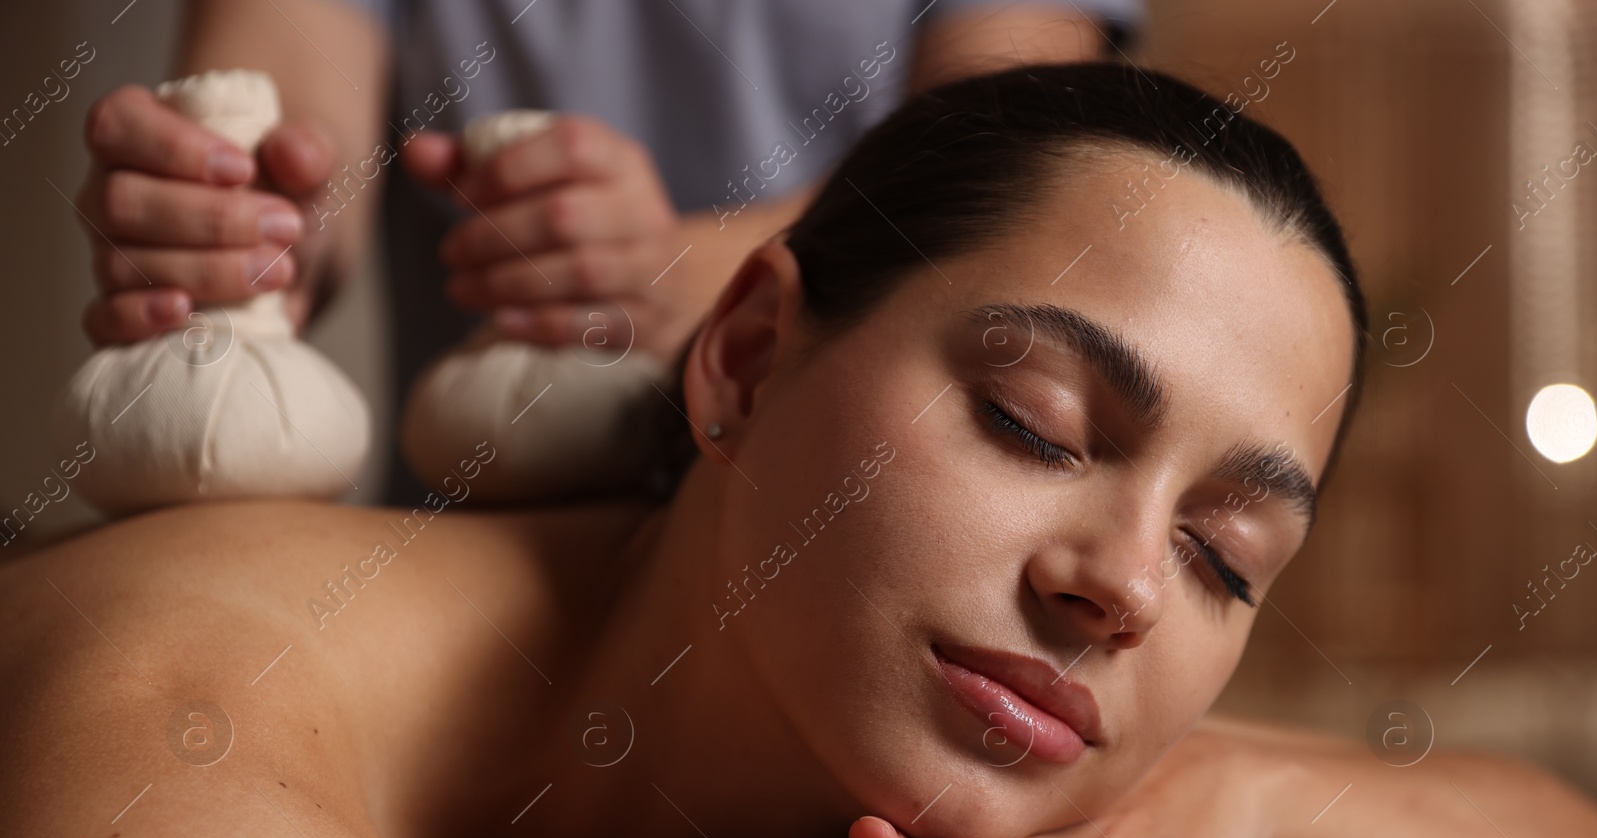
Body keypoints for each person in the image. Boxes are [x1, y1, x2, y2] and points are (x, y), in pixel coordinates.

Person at [9, 62, 1597, 838]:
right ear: (748, 354)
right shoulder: (192, 754)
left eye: (1225, 554)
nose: (1122, 582)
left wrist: (1245, 788)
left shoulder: (982, 681)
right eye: (1034, 422)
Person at [75, 0, 1139, 501]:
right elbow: (296, 126)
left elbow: (1007, 165)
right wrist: (235, 227)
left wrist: (684, 276)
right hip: (463, 555)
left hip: (832, 542)